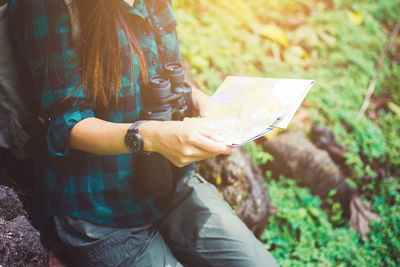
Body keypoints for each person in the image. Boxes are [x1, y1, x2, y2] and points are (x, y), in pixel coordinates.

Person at [8, 0, 278, 266]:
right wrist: (151, 137)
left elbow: (159, 75)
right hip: (97, 209)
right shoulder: (49, 6)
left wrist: (196, 99)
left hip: (171, 185)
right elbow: (67, 124)